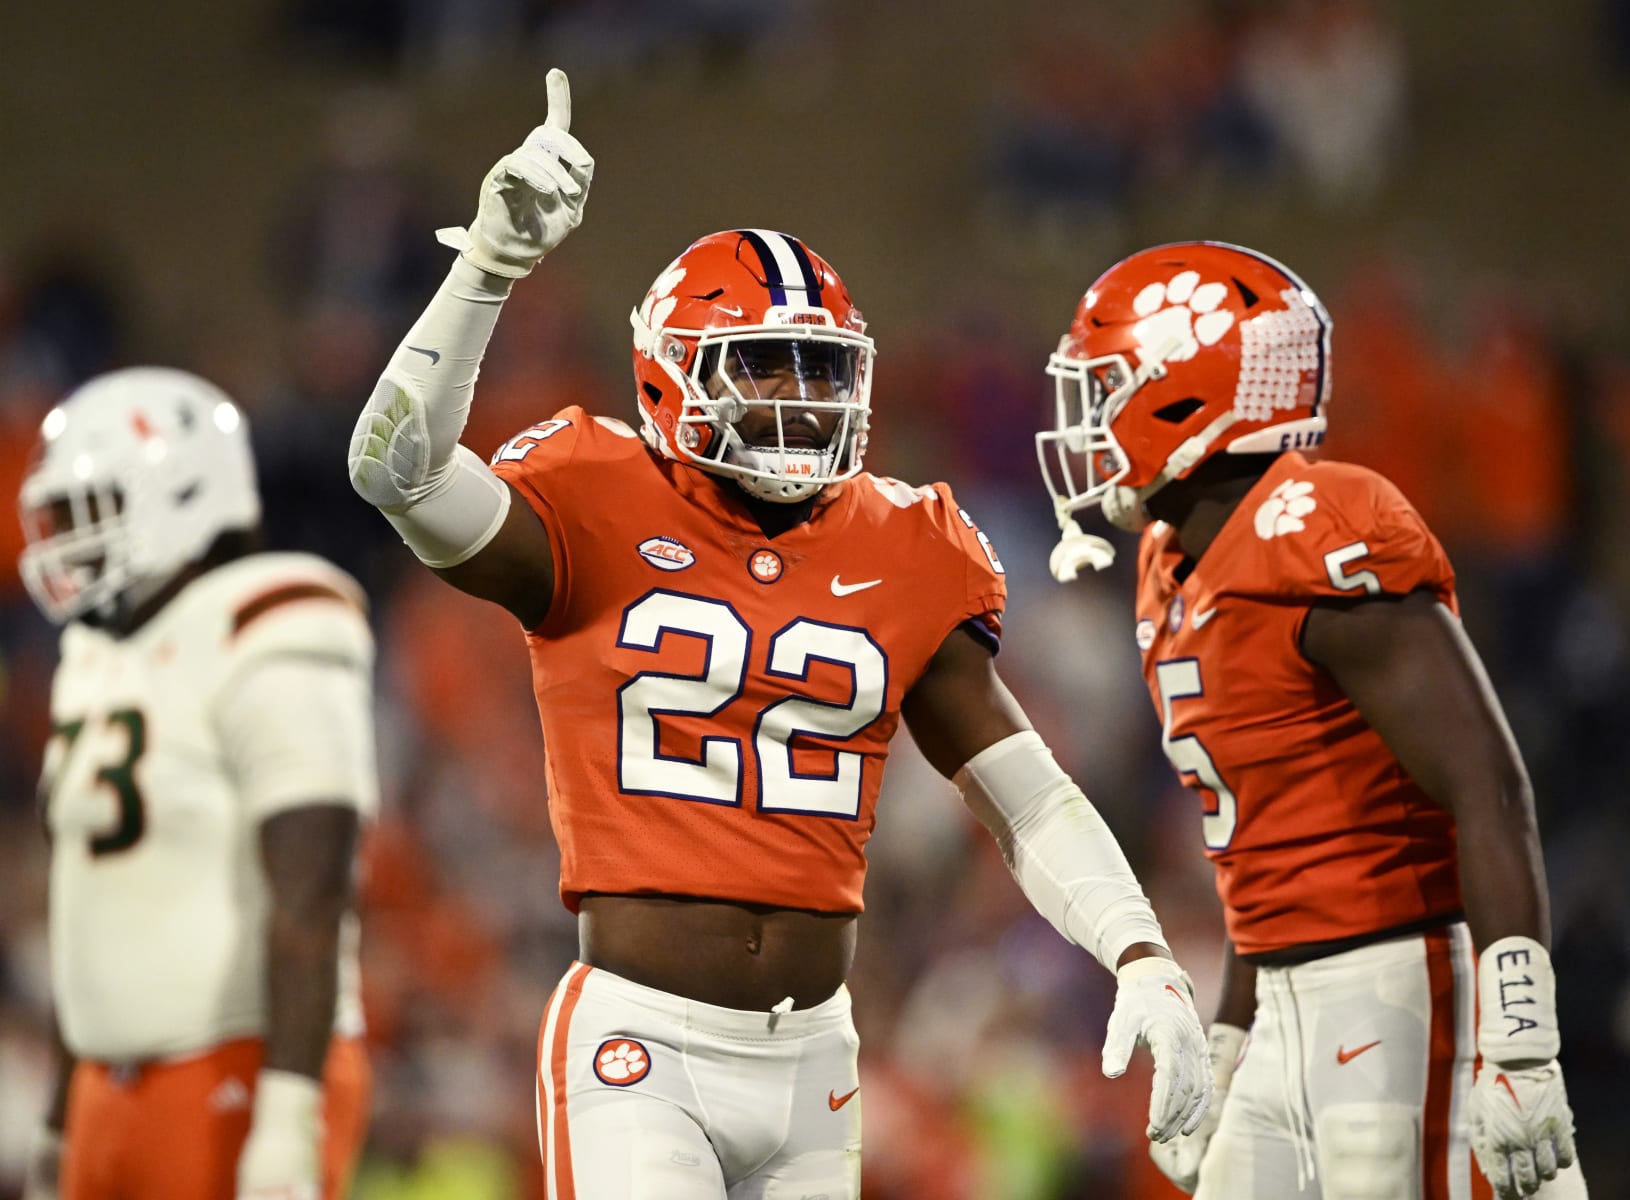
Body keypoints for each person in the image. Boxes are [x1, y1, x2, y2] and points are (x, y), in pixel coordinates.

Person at [344, 68, 1209, 1198]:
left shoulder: (905, 541)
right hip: (640, 1044)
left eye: (821, 367)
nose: (800, 398)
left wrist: (1139, 949)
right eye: (760, 365)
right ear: (670, 376)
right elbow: (394, 470)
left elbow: (1026, 793)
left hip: (817, 1056)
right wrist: (487, 268)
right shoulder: (594, 494)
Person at [1036, 242, 1588, 1200]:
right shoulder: (1171, 563)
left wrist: (1524, 1044)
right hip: (1288, 1004)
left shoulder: (1319, 524)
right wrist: (1230, 1035)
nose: (1090, 420)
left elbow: (1489, 787)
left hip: (1403, 988)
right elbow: (1269, 854)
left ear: (1186, 390)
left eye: (1111, 386)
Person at [18, 367, 379, 1200]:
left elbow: (315, 891)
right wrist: (61, 1110)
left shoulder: (271, 614)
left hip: (237, 1066)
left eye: (91, 508)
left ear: (180, 490)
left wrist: (289, 1112)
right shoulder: (94, 656)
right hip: (107, 1088)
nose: (66, 538)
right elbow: (90, 914)